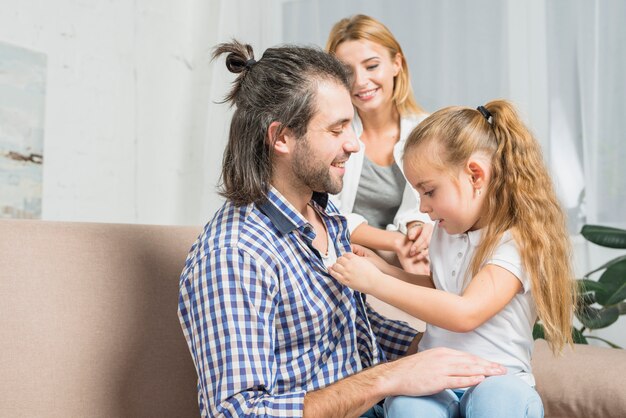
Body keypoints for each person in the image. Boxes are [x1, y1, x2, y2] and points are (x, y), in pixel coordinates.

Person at [177, 40, 506, 418]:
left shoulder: (323, 215)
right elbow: (236, 413)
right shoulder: (236, 255)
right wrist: (389, 378)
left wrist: (437, 348)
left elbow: (351, 331)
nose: (353, 143)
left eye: (351, 124)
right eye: (336, 130)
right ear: (281, 137)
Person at [329, 100, 576, 417]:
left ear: (475, 176)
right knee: (406, 407)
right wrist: (382, 268)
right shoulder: (444, 234)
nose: (421, 207)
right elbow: (438, 292)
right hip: (436, 381)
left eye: (429, 191)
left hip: (497, 379)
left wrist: (376, 283)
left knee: (497, 402)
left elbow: (465, 312)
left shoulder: (517, 243)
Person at [326, 14, 432, 274]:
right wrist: (397, 242)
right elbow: (326, 212)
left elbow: (429, 204)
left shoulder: (428, 131)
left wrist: (418, 227)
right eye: (347, 72)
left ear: (397, 64)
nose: (360, 81)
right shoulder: (330, 136)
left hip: (410, 256)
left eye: (372, 66)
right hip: (349, 255)